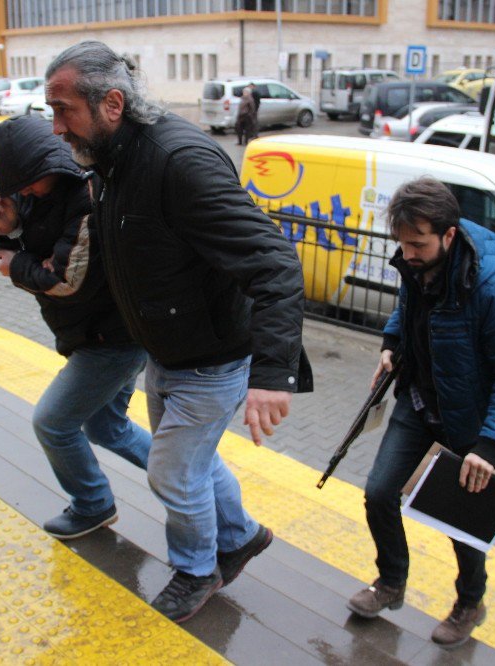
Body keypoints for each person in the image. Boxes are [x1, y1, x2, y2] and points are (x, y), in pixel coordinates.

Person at [45, 41, 313, 623]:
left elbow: (275, 263)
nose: (56, 125)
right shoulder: (114, 161)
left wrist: (273, 375)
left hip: (214, 359)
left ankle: (197, 570)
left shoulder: (176, 161)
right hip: (167, 354)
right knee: (191, 462)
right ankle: (240, 536)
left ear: (111, 103)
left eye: (63, 109)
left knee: (172, 470)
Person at [346, 177, 495, 648]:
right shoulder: (416, 265)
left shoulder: (491, 290)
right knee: (379, 492)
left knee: (462, 526)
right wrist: (391, 345)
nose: (407, 253)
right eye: (402, 243)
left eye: (418, 244)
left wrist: (488, 447)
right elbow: (408, 309)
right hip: (416, 404)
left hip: (467, 424)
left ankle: (470, 602)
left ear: (449, 236)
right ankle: (390, 582)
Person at [0, 115, 152, 541]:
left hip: (111, 337)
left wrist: (17, 264)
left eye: (27, 184)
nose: (22, 193)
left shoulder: (83, 193)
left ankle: (94, 504)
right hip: (93, 332)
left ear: (46, 170)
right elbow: (37, 254)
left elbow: (64, 277)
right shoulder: (42, 193)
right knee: (105, 427)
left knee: (52, 422)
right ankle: (186, 474)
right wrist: (7, 229)